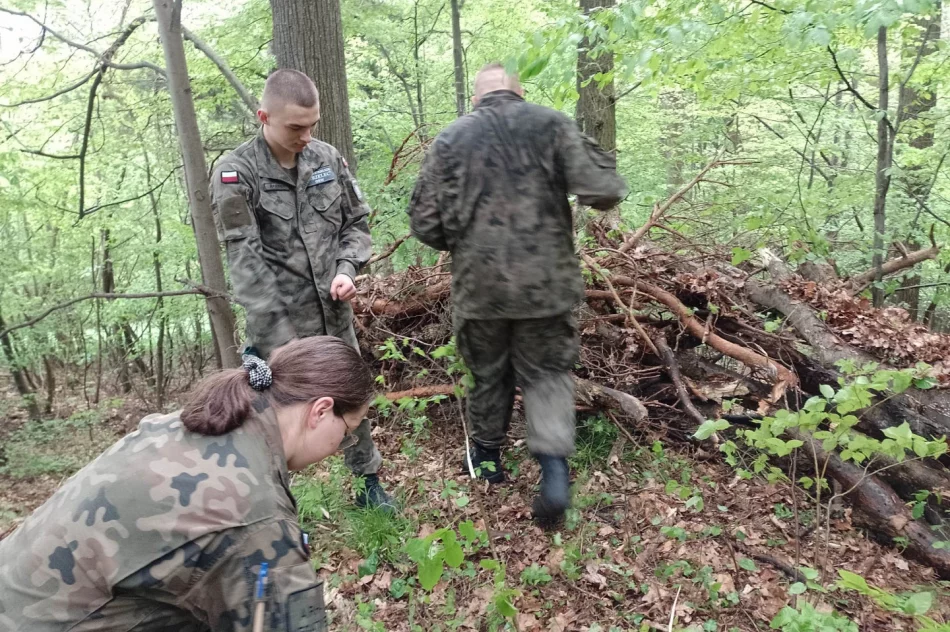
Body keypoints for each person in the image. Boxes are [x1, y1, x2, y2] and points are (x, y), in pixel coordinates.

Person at [0, 337, 373, 631]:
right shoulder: (255, 518)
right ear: (320, 410)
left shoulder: (184, 426)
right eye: (347, 433)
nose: (340, 448)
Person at [406, 63, 628, 526]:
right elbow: (604, 190)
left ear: (476, 98)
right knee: (546, 376)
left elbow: (424, 224)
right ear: (519, 92)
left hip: (479, 288)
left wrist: (465, 241)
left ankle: (488, 464)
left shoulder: (449, 140)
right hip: (546, 287)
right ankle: (554, 477)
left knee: (487, 374)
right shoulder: (551, 125)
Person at [210, 68, 393, 511]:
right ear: (264, 117)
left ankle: (368, 482)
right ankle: (271, 503)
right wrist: (282, 343)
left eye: (312, 125)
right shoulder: (236, 173)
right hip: (278, 328)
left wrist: (347, 269)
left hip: (333, 316)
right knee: (274, 420)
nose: (306, 136)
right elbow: (245, 261)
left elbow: (356, 223)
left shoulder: (326, 159)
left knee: (352, 400)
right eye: (295, 127)